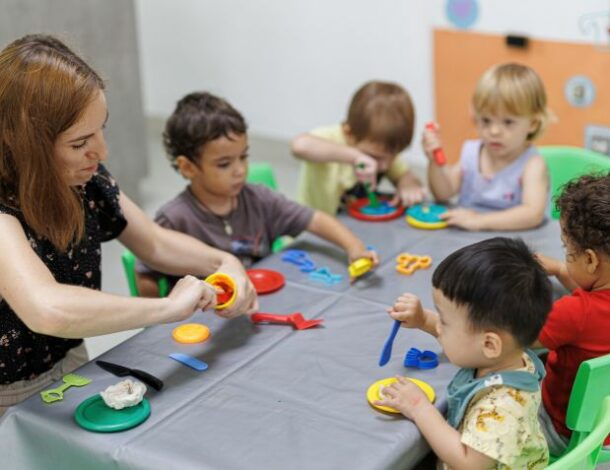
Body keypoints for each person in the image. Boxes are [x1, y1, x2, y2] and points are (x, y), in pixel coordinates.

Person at [0, 34, 257, 416]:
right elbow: (48, 308)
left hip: (68, 357)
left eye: (101, 129)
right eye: (80, 142)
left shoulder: (84, 180)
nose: (101, 152)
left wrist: (223, 263)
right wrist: (167, 308)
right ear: (27, 146)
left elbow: (153, 242)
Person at [135, 92, 379, 296]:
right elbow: (146, 275)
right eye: (224, 164)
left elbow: (314, 219)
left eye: (243, 157)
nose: (240, 170)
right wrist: (162, 322)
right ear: (188, 167)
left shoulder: (259, 199)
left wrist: (353, 246)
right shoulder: (173, 220)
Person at [377, 237, 552, 469]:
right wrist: (424, 320)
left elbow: (468, 462)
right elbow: (467, 342)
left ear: (490, 345)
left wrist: (419, 406)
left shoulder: (502, 408)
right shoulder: (509, 355)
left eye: (445, 322)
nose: (439, 326)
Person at [532, 173, 610, 455]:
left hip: (561, 431)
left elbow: (518, 338)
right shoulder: (584, 309)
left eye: (567, 251)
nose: (564, 256)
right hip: (606, 429)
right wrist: (560, 269)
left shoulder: (574, 313)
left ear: (590, 260)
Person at [424, 63, 551, 231]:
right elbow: (443, 193)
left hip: (510, 249)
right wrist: (434, 162)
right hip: (467, 244)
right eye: (485, 120)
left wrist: (479, 221)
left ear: (533, 123)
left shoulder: (532, 164)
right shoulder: (471, 153)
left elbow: (532, 214)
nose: (494, 131)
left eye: (508, 122)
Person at [291, 80, 424, 215]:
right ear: (349, 134)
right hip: (311, 232)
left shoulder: (382, 153)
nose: (384, 166)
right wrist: (355, 157)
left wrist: (408, 185)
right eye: (375, 157)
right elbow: (300, 146)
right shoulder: (331, 137)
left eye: (393, 156)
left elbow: (406, 176)